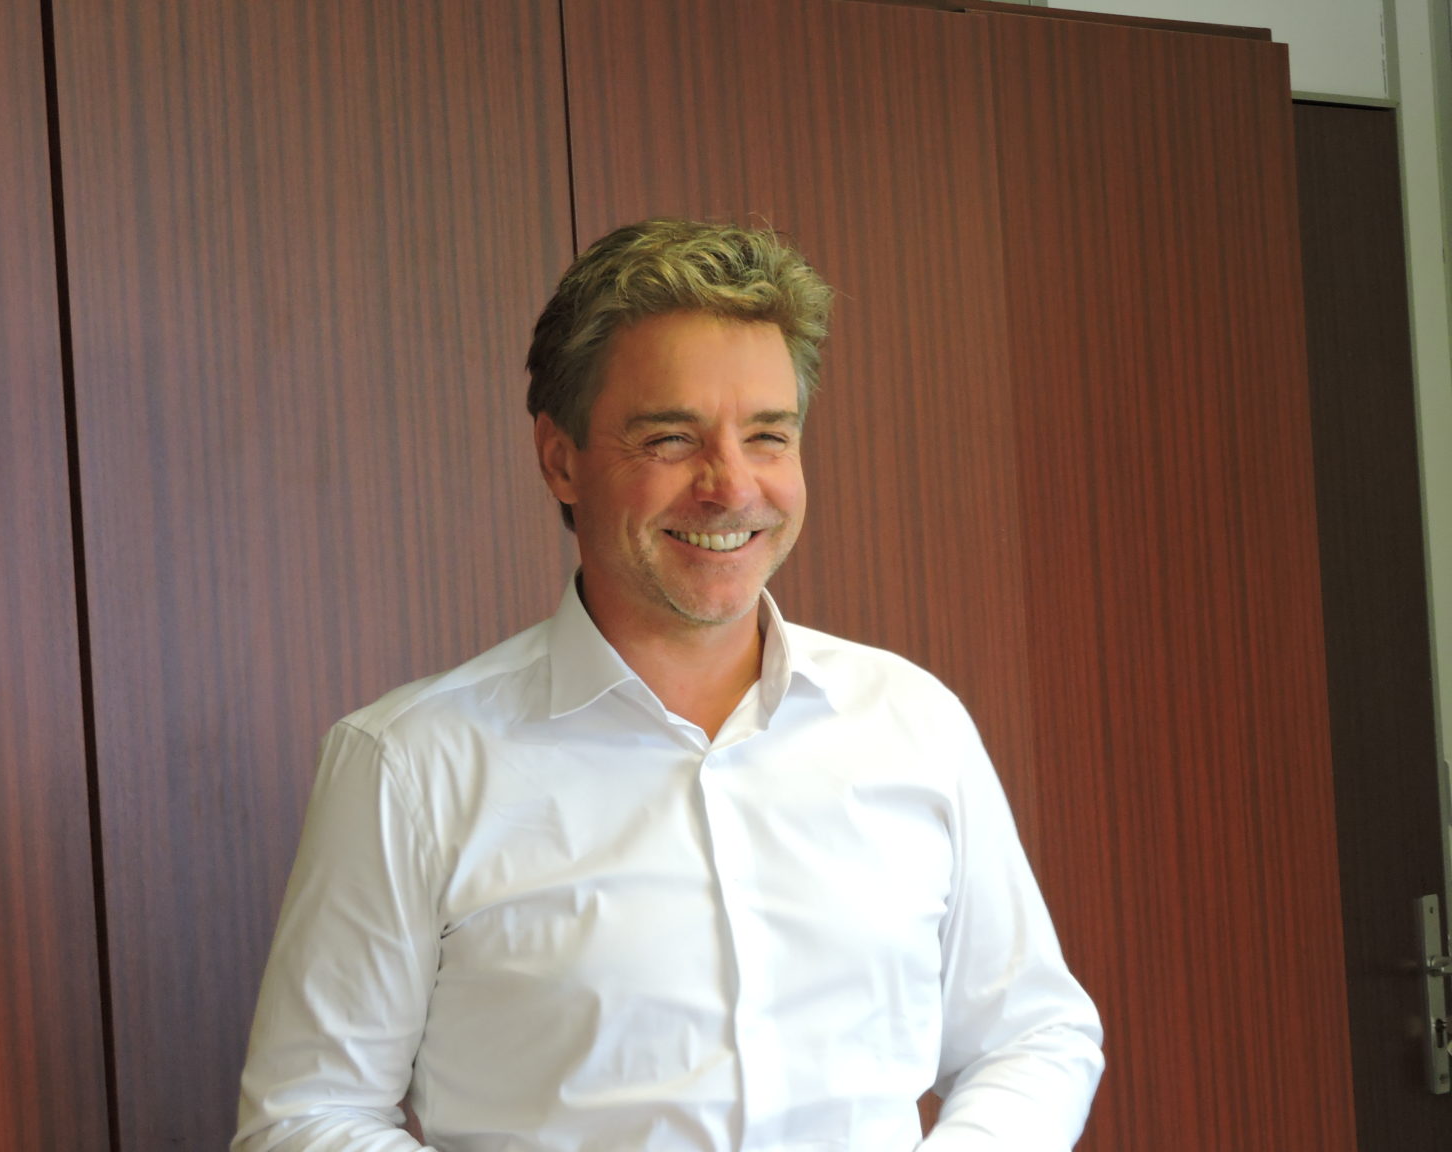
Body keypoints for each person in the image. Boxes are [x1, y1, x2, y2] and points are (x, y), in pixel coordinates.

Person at [233, 219, 1104, 1151]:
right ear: (561, 459)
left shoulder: (913, 723)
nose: (731, 487)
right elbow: (306, 1117)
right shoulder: (409, 765)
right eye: (671, 438)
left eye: (768, 435)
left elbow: (1031, 1036)